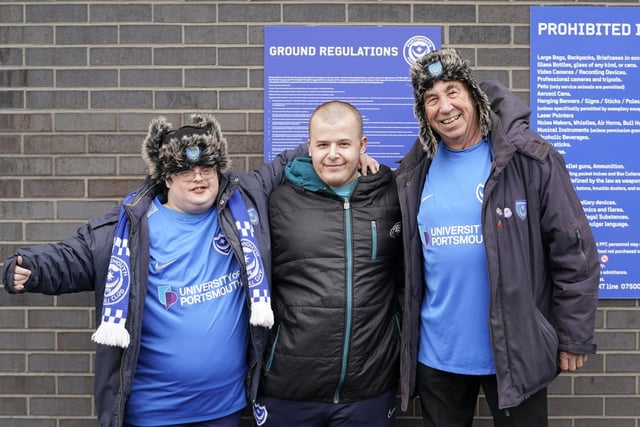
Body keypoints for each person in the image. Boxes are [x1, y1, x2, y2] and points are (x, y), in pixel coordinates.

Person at [2, 113, 315, 427]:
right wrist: (31, 267)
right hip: (153, 413)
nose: (198, 178)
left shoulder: (243, 204)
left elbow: (290, 160)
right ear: (167, 178)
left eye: (206, 168)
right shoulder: (131, 227)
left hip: (223, 409)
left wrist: (344, 151)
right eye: (185, 171)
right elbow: (74, 257)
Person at [395, 48, 600, 426]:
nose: (445, 106)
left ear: (474, 95)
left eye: (453, 91)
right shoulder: (413, 173)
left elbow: (574, 250)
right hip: (438, 358)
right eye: (431, 98)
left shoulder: (528, 160)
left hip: (516, 350)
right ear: (424, 113)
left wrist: (574, 335)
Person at [252, 101, 403, 427]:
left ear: (362, 146)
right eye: (323, 144)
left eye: (344, 144)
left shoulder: (391, 196)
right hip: (289, 388)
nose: (333, 154)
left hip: (370, 388)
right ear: (309, 147)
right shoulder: (278, 201)